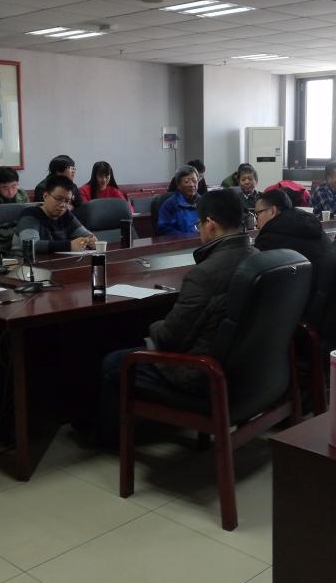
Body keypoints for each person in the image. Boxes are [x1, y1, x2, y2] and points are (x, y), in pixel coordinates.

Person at [98, 189, 256, 444]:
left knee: (114, 362)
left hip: (201, 375)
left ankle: (108, 440)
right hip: (244, 369)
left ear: (210, 224)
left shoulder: (203, 275)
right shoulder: (257, 258)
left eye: (198, 225)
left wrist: (151, 326)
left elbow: (169, 338)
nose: (199, 231)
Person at [253, 188, 327, 288]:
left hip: (301, 295)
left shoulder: (267, 241)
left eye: (257, 214)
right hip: (325, 291)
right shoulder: (313, 225)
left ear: (272, 211)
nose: (255, 222)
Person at [12, 174, 96, 254]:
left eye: (67, 201)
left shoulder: (66, 215)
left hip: (56, 261)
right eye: (58, 199)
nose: (63, 205)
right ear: (45, 196)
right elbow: (31, 245)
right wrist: (69, 245)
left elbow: (88, 236)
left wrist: (91, 241)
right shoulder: (30, 214)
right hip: (24, 261)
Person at [157, 165, 200, 236]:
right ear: (178, 185)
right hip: (182, 241)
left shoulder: (204, 202)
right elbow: (164, 229)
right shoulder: (170, 205)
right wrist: (186, 237)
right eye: (186, 182)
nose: (192, 185)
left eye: (194, 181)